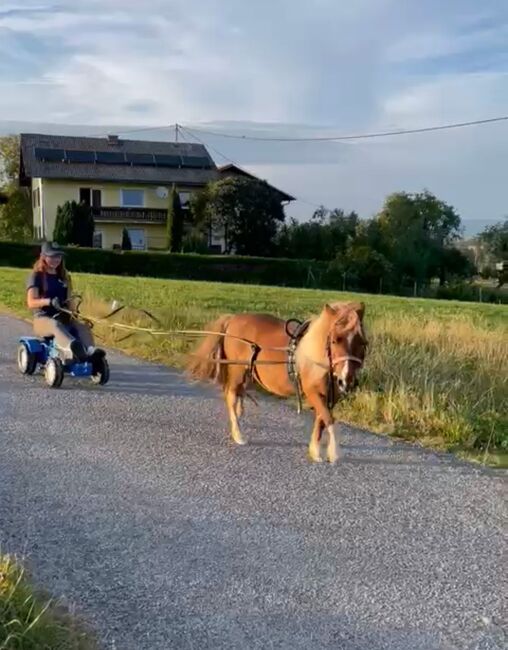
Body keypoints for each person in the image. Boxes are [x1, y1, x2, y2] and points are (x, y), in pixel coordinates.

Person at [26, 241, 102, 363]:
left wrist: (74, 312)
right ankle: (72, 349)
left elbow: (69, 299)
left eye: (59, 256)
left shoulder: (63, 276)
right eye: (52, 256)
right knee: (55, 325)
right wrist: (49, 302)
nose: (56, 259)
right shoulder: (36, 276)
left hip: (63, 316)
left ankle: (91, 352)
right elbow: (31, 302)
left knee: (82, 326)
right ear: (44, 256)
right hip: (42, 318)